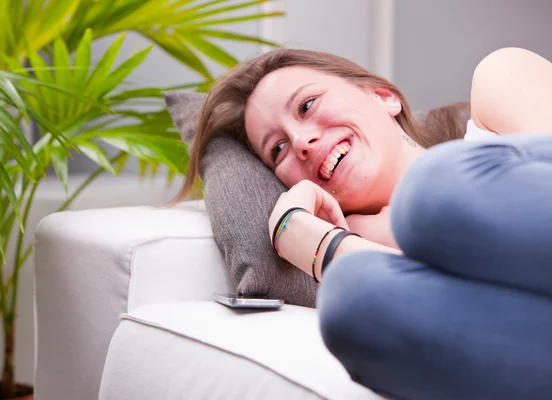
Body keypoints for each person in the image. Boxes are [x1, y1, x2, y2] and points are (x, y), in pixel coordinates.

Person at [176, 47, 552, 399]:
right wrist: (312, 239)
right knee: (352, 298)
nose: (301, 141)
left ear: (383, 96)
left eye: (307, 105)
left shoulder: (499, 83)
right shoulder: (365, 268)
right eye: (278, 150)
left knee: (429, 191)